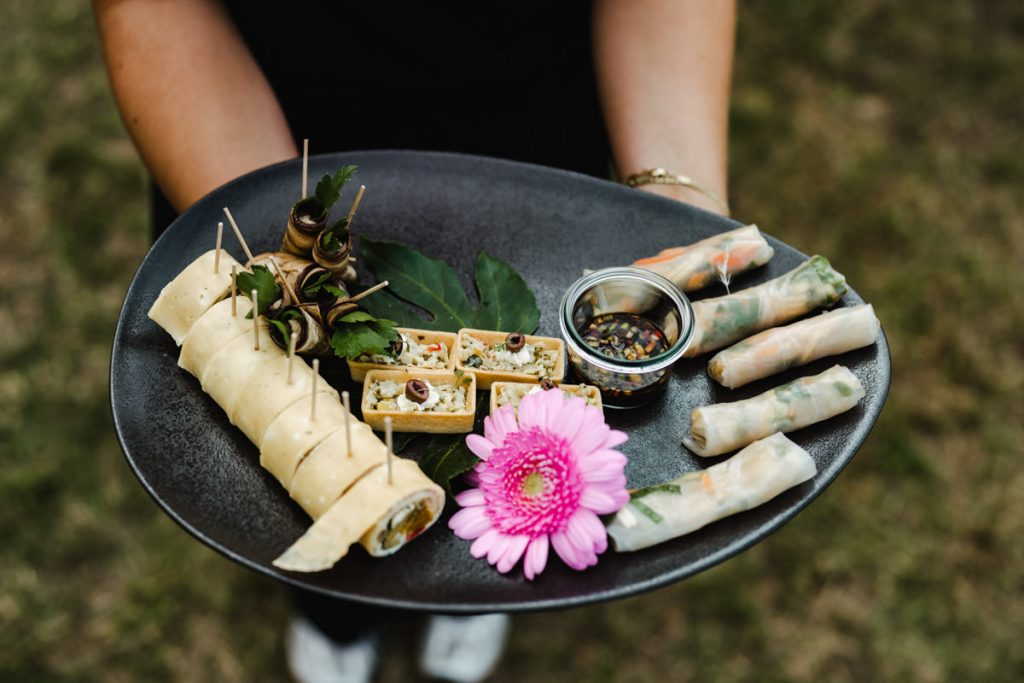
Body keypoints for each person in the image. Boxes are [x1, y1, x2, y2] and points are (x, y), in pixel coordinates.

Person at [93, 1, 735, 681]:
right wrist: (284, 238)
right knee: (295, 450)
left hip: (532, 147)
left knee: (506, 484)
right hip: (250, 125)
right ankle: (332, 614)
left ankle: (476, 595)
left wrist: (678, 196)